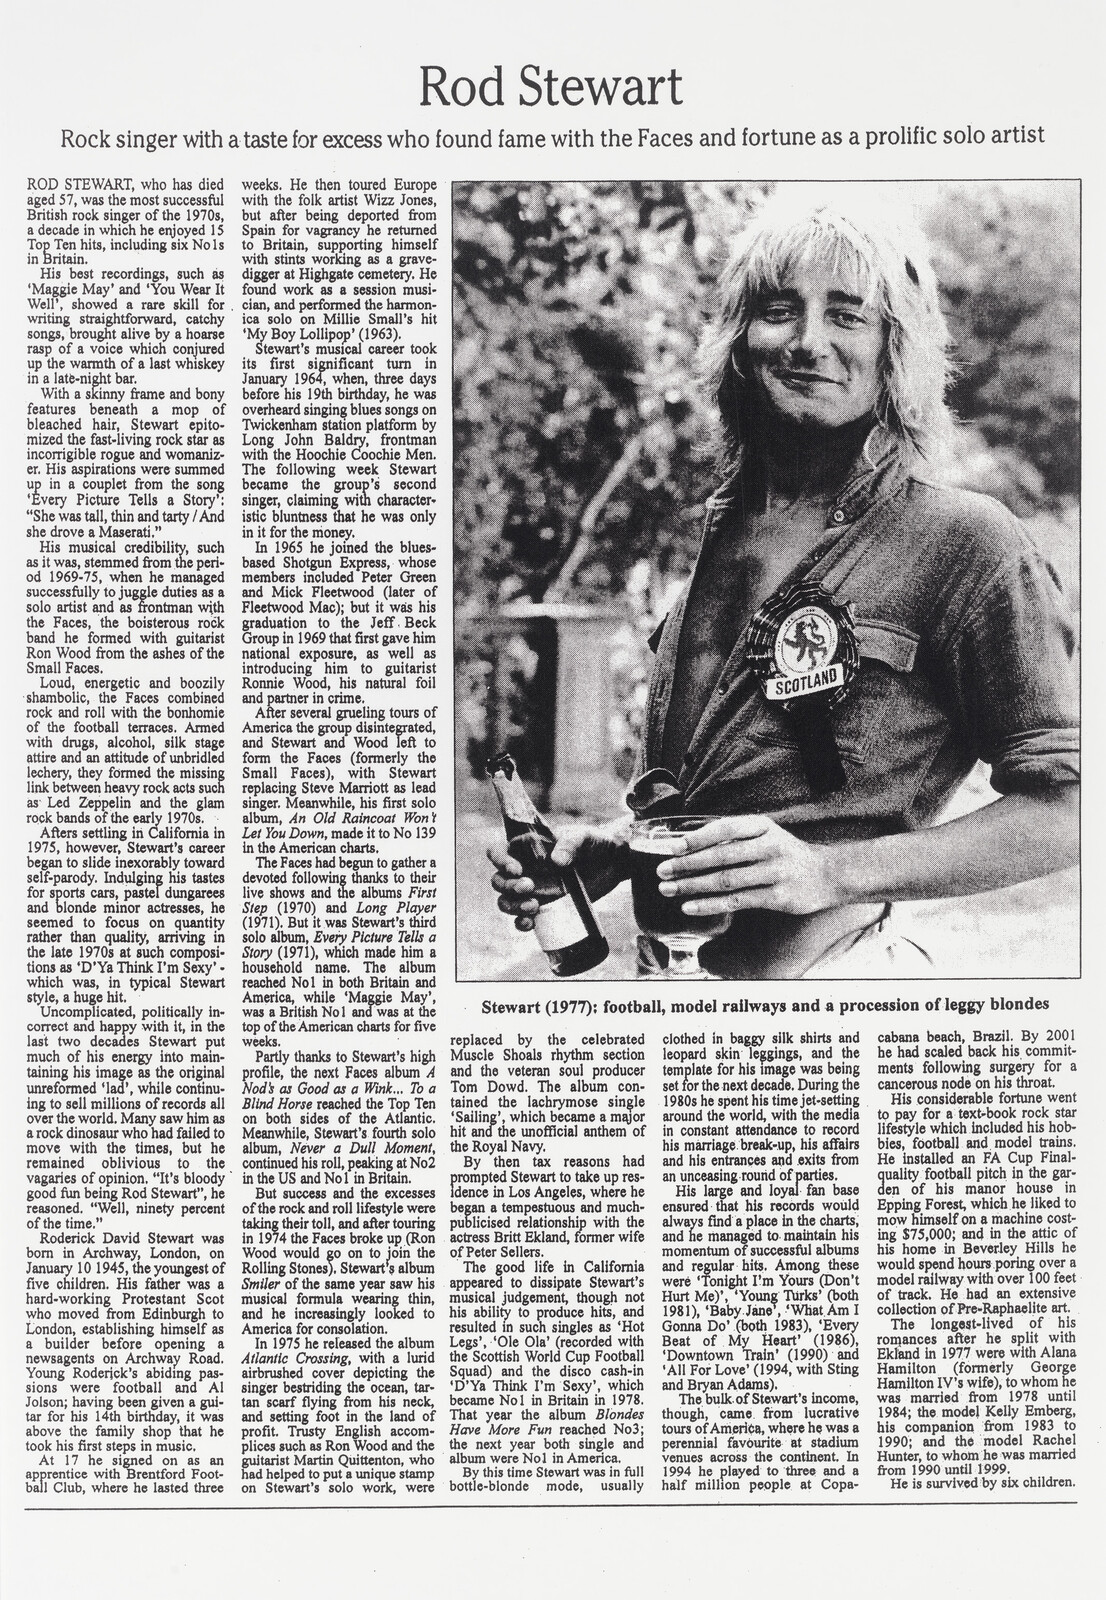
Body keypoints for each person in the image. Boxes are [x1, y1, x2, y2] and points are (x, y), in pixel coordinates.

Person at [488, 190, 1079, 978]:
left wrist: (829, 871)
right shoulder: (721, 529)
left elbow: (1067, 813)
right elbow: (728, 787)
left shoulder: (966, 541)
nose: (807, 342)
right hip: (660, 971)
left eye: (846, 314)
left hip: (829, 980)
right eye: (778, 310)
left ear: (894, 347)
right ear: (739, 338)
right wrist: (616, 845)